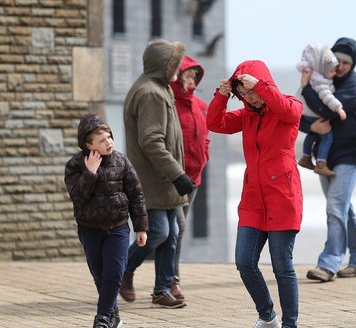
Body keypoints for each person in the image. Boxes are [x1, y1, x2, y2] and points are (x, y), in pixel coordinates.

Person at [207, 60, 303, 328]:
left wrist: (259, 85)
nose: (249, 97)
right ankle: (267, 314)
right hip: (253, 200)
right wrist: (222, 95)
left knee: (282, 266)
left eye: (252, 91)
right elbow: (214, 123)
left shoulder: (290, 106)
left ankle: (289, 324)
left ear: (265, 85)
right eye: (244, 94)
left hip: (282, 198)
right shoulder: (246, 115)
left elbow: (287, 111)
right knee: (244, 262)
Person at [120, 39, 191, 309]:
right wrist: (177, 175)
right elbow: (152, 141)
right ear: (163, 65)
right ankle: (123, 271)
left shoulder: (159, 88)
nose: (179, 68)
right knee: (159, 232)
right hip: (152, 178)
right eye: (174, 63)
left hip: (163, 178)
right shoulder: (150, 92)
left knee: (171, 233)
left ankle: (162, 290)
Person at [64, 114, 148, 328]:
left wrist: (141, 227)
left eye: (109, 137)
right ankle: (114, 317)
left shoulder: (121, 161)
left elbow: (136, 195)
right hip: (89, 230)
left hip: (118, 228)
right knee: (100, 276)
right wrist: (90, 172)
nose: (109, 142)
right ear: (88, 144)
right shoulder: (75, 165)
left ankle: (102, 318)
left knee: (114, 272)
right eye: (102, 140)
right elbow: (77, 196)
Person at [302, 37, 356, 282]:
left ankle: (329, 264)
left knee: (335, 207)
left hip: (349, 155)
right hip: (325, 156)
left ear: (353, 65)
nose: (341, 66)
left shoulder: (354, 86)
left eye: (346, 62)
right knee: (342, 208)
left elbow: (328, 110)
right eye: (337, 60)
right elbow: (303, 118)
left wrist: (305, 89)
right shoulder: (324, 81)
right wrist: (315, 129)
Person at [168, 55, 210, 300]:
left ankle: (168, 281)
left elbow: (205, 136)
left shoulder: (200, 105)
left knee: (175, 231)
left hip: (194, 178)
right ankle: (172, 280)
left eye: (195, 76)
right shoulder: (169, 104)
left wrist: (204, 156)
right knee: (176, 229)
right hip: (173, 178)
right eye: (188, 75)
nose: (192, 80)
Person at [295, 43, 347, 177]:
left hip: (305, 112)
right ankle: (321, 164)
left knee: (311, 134)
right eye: (331, 71)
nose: (334, 73)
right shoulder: (322, 82)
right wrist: (339, 108)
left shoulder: (311, 76)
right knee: (327, 137)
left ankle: (306, 157)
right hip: (313, 113)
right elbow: (327, 96)